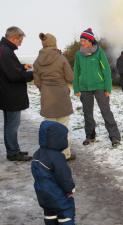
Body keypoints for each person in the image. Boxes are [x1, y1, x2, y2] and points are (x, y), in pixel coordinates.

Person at [31, 121, 82, 225]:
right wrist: (69, 189)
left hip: (41, 191)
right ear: (57, 139)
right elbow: (63, 176)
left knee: (49, 211)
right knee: (66, 209)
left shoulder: (37, 154)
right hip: (56, 192)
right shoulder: (57, 157)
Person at [73, 28, 121, 147]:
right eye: (81, 40)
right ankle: (90, 136)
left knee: (106, 112)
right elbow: (76, 71)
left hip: (99, 86)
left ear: (90, 40)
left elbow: (106, 70)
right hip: (84, 87)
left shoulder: (99, 53)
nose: (81, 42)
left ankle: (114, 137)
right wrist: (76, 88)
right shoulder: (78, 54)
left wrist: (108, 88)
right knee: (87, 113)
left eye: (83, 40)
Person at [33, 33, 75, 161]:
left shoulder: (37, 61)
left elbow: (37, 82)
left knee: (50, 129)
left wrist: (44, 89)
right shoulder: (61, 58)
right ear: (54, 43)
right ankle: (65, 154)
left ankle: (52, 156)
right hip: (62, 95)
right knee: (63, 127)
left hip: (47, 97)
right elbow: (70, 77)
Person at [0, 26, 34, 161]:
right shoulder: (5, 52)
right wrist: (32, 74)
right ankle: (13, 153)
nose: (21, 43)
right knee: (12, 126)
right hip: (10, 95)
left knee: (10, 125)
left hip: (6, 93)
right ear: (14, 38)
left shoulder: (4, 49)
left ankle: (13, 150)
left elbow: (9, 70)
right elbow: (14, 76)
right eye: (20, 40)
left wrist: (21, 66)